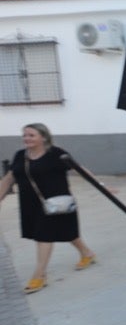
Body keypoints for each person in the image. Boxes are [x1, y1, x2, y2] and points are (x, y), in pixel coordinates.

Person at [0, 123, 96, 293]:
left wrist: (101, 185)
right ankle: (87, 253)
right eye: (24, 135)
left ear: (43, 137)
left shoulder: (56, 153)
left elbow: (79, 169)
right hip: (31, 203)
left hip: (57, 201)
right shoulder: (20, 155)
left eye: (31, 135)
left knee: (43, 236)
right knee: (67, 232)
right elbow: (9, 179)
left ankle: (39, 275)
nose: (26, 138)